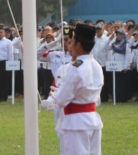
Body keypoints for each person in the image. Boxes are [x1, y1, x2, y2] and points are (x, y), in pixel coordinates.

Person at [41, 23, 104, 155]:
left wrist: (50, 101)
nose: (69, 45)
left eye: (72, 42)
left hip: (76, 123)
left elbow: (62, 99)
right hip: (92, 119)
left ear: (78, 45)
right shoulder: (96, 65)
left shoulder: (75, 68)